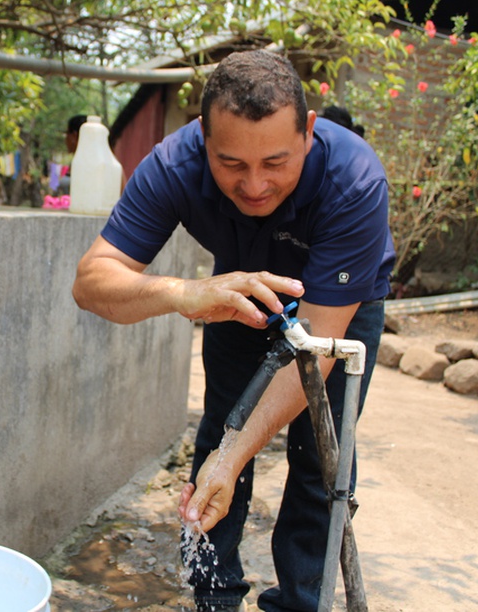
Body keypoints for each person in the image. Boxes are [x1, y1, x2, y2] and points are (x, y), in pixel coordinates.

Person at [72, 49, 395, 612]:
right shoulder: (175, 163)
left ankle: (299, 601)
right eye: (231, 164)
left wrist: (240, 451)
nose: (254, 186)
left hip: (338, 304)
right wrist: (182, 293)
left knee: (322, 457)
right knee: (219, 439)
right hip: (235, 294)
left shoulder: (354, 179)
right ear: (202, 138)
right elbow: (91, 283)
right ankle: (213, 597)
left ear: (309, 131)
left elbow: (315, 343)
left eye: (275, 163)